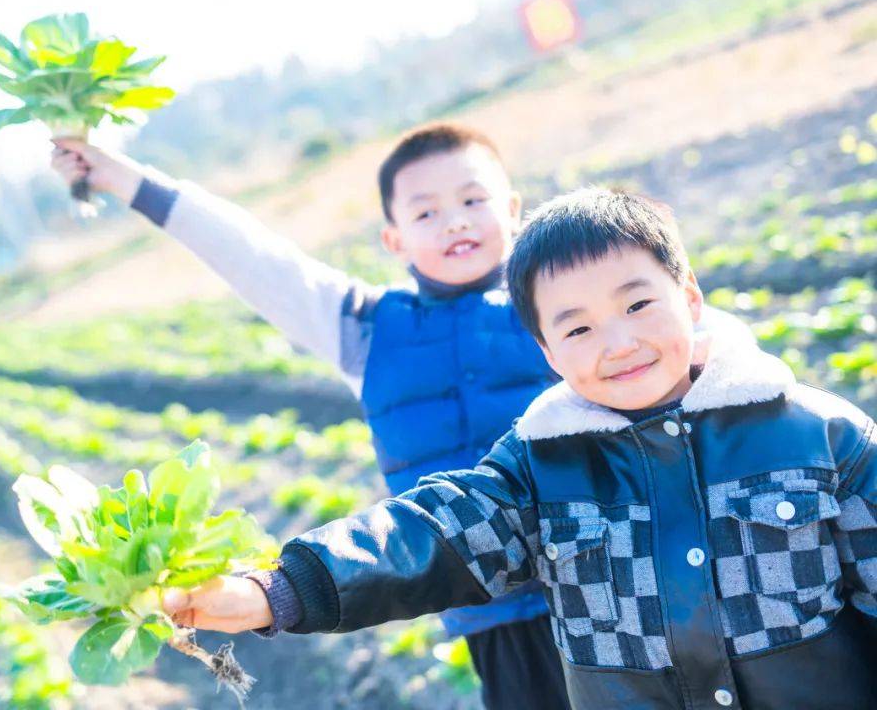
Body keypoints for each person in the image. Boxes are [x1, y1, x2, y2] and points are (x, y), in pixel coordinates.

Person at [160, 187, 877, 709]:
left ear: (690, 298)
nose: (619, 343)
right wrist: (276, 591)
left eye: (637, 305)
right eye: (578, 329)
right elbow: (430, 535)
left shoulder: (818, 436)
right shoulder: (541, 467)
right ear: (545, 350)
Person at [52, 123, 569, 708]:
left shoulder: (564, 297)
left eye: (474, 201)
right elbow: (255, 257)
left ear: (514, 210)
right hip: (493, 612)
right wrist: (121, 177)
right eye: (426, 213)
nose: (455, 221)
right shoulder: (367, 328)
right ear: (393, 240)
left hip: (602, 572)